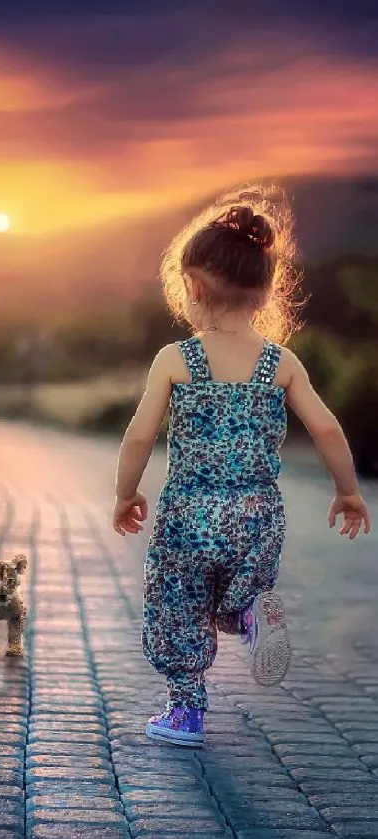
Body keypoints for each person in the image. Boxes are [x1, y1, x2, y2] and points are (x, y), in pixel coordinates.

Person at [112, 184, 371, 748]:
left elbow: (139, 435)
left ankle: (185, 714)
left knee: (178, 603)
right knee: (240, 591)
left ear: (194, 286)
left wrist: (125, 495)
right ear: (264, 291)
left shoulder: (176, 359)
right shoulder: (282, 362)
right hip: (255, 514)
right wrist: (348, 491)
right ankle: (253, 613)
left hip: (189, 515)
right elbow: (325, 427)